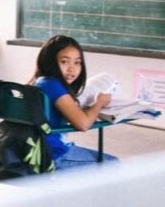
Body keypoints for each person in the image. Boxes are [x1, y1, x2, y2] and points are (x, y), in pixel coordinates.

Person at [29, 34, 117, 169]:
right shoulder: (52, 85)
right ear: (50, 62)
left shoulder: (38, 82)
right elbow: (83, 124)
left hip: (30, 152)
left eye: (77, 62)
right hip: (51, 155)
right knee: (113, 164)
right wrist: (99, 102)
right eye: (64, 62)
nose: (72, 68)